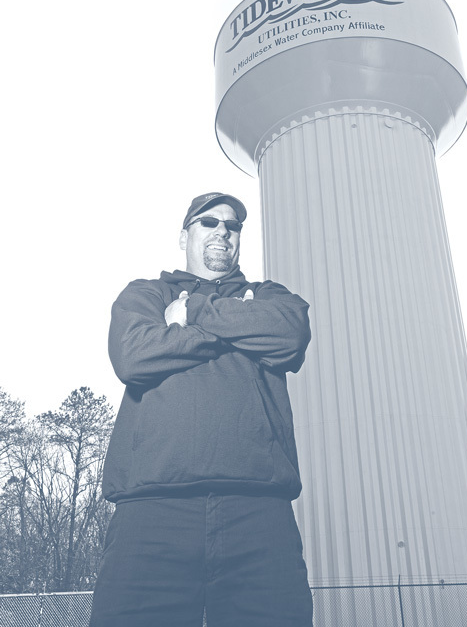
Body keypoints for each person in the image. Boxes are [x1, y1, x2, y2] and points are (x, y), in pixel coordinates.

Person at [89, 192, 313, 627]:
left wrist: (192, 312)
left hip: (258, 513)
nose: (222, 231)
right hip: (151, 513)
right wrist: (239, 327)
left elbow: (288, 337)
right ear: (184, 236)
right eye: (209, 222)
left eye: (232, 225)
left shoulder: (269, 295)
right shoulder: (147, 293)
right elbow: (134, 357)